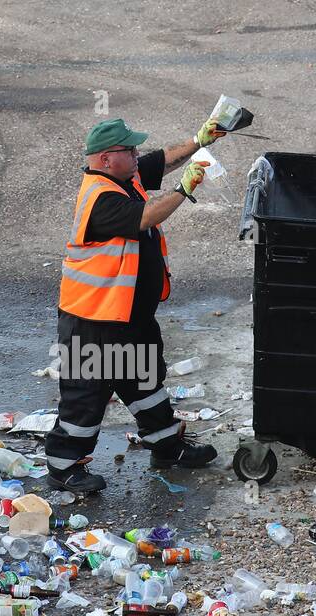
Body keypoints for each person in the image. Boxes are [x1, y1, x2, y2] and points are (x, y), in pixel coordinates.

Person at [45, 115, 225, 494]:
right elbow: (146, 216)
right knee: (87, 393)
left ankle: (165, 446)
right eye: (129, 150)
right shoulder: (101, 198)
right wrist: (185, 190)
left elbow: (163, 159)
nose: (136, 154)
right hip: (93, 319)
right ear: (107, 158)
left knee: (145, 379)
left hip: (128, 314)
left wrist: (200, 138)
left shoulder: (124, 177)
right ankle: (63, 467)